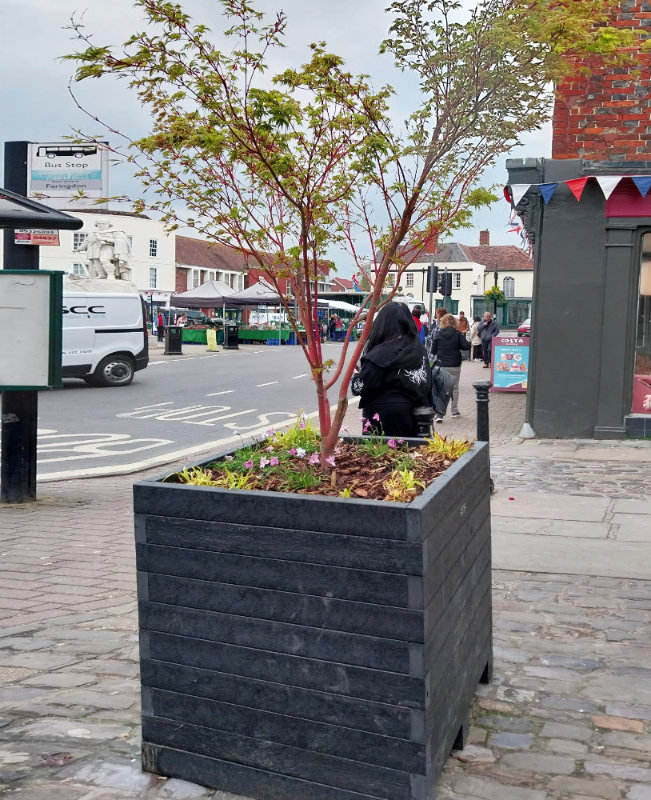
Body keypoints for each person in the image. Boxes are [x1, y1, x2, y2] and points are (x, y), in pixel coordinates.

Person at [353, 302, 432, 437]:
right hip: (415, 417)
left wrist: (356, 375)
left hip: (383, 418)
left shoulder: (379, 354)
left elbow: (359, 388)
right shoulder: (419, 350)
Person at [430, 313, 470, 420]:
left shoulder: (438, 334)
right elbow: (466, 346)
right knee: (455, 388)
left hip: (442, 364)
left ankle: (439, 415)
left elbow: (433, 351)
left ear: (442, 322)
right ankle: (454, 412)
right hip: (455, 365)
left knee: (441, 389)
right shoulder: (457, 334)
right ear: (455, 323)